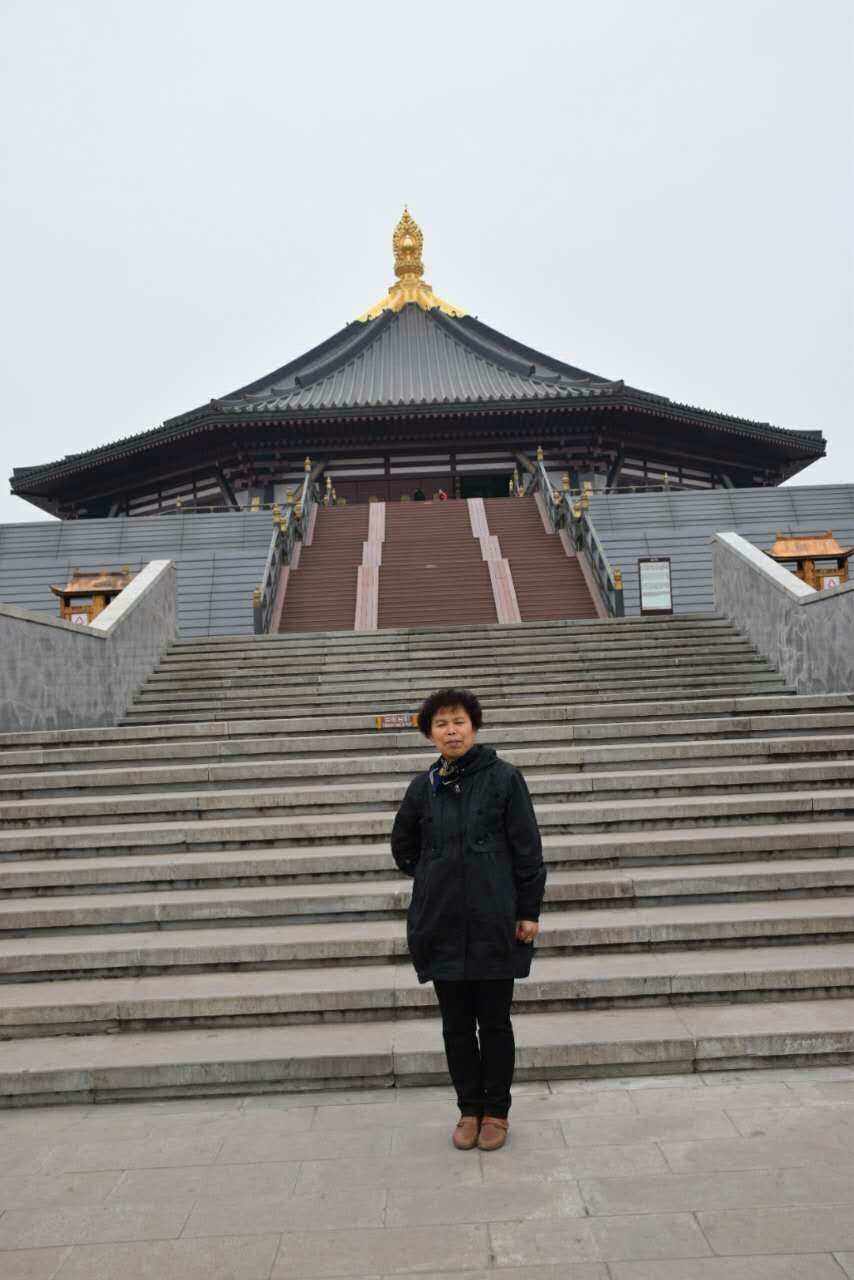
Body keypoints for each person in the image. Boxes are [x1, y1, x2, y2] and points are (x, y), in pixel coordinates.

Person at [391, 688, 546, 1152]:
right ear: (429, 733)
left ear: (474, 727)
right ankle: (468, 1110)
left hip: (494, 920)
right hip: (440, 923)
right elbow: (403, 846)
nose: (451, 730)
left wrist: (528, 910)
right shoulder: (424, 787)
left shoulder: (504, 779)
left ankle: (496, 1112)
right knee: (456, 1025)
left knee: (494, 1022)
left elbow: (528, 850)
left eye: (459, 721)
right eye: (441, 724)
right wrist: (438, 870)